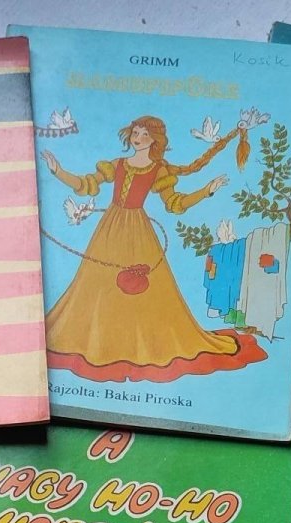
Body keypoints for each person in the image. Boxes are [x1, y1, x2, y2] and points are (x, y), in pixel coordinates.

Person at [41, 115, 249, 370]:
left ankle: (138, 343)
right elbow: (87, 184)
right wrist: (58, 171)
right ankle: (102, 341)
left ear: (155, 141)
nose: (138, 138)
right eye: (136, 132)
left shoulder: (157, 170)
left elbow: (175, 204)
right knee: (98, 285)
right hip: (110, 230)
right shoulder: (117, 164)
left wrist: (206, 191)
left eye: (145, 135)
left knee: (146, 293)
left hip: (139, 233)